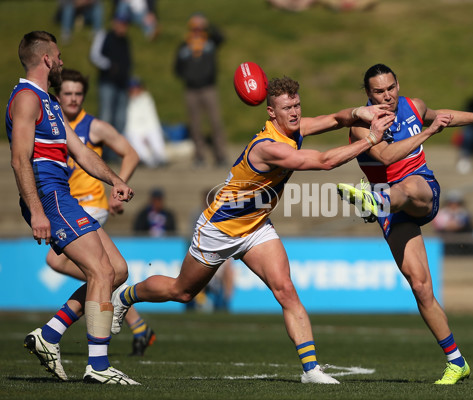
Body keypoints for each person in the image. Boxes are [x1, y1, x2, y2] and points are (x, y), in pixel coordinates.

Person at [111, 76, 393, 384]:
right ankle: (125, 297)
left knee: (285, 289)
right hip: (220, 228)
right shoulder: (267, 147)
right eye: (287, 108)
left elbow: (335, 119)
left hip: (256, 226)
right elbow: (323, 161)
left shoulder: (295, 128)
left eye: (297, 105)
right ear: (271, 112)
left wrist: (358, 114)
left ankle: (311, 370)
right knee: (182, 291)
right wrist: (369, 140)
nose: (295, 113)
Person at [337, 64, 473, 384]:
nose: (387, 96)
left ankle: (375, 201)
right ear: (367, 94)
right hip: (392, 211)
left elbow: (439, 115)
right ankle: (456, 361)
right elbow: (388, 156)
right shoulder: (361, 127)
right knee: (420, 287)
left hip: (421, 192)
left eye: (391, 87)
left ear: (398, 84)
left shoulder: (412, 106)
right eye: (378, 91)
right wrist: (428, 133)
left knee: (405, 188)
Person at [6, 31, 138, 384]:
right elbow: (20, 160)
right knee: (100, 271)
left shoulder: (48, 101)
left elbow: (80, 152)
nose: (63, 61)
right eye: (59, 56)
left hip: (63, 195)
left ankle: (49, 336)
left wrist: (116, 180)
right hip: (49, 196)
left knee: (117, 271)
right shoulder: (25, 99)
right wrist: (36, 211)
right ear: (46, 59)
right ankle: (97, 366)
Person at [47, 67, 156, 357]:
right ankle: (133, 320)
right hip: (68, 206)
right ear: (58, 96)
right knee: (101, 272)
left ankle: (65, 337)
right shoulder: (53, 125)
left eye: (78, 94)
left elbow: (130, 152)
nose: (72, 99)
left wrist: (117, 185)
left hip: (91, 205)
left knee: (63, 262)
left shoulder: (93, 126)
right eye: (67, 93)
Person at [174, 13, 228, 167]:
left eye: (200, 27)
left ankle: (220, 156)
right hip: (191, 90)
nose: (197, 30)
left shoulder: (210, 42)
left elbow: (221, 36)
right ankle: (199, 157)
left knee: (216, 123)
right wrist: (188, 77)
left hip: (209, 88)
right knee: (195, 125)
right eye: (194, 28)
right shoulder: (184, 46)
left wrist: (208, 24)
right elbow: (177, 67)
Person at [89, 12, 132, 138]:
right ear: (114, 23)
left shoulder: (125, 40)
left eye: (125, 24)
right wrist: (109, 66)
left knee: (121, 119)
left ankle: (116, 153)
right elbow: (94, 55)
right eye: (120, 23)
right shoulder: (105, 35)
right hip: (107, 82)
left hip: (122, 84)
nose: (122, 26)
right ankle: (102, 151)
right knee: (105, 117)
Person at [123, 77, 167, 168]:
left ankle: (161, 157)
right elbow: (130, 125)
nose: (134, 90)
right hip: (134, 130)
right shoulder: (125, 101)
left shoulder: (147, 98)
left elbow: (152, 121)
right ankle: (148, 160)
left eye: (136, 88)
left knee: (156, 139)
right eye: (132, 88)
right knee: (136, 141)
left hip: (149, 127)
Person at [432, 190, 473, 256]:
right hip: (446, 238)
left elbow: (462, 224)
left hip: (462, 237)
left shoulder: (464, 213)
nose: (454, 205)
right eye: (451, 203)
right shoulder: (441, 213)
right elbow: (440, 225)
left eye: (456, 203)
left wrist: (454, 225)